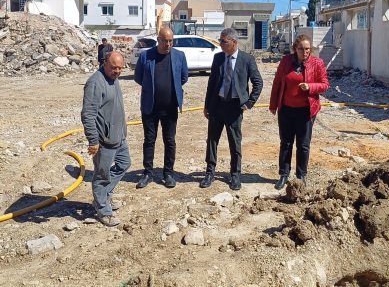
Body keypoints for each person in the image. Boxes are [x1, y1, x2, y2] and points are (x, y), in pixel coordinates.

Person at [200, 28, 263, 190]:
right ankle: (209, 172)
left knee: (235, 142)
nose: (220, 44)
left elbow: (258, 83)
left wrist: (249, 103)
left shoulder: (247, 59)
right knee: (212, 140)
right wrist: (207, 105)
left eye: (224, 41)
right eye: (220, 40)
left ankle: (235, 174)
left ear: (234, 42)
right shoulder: (218, 58)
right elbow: (211, 83)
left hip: (235, 107)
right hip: (217, 105)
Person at [269, 34, 329, 189]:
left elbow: (325, 84)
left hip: (306, 111)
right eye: (301, 49)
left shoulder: (317, 63)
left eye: (307, 49)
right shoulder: (286, 61)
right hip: (286, 110)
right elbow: (277, 83)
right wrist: (273, 104)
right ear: (295, 48)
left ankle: (301, 176)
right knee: (286, 143)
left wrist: (310, 87)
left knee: (303, 145)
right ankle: (284, 174)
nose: (305, 52)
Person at [134, 27, 189, 189]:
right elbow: (138, 77)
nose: (168, 44)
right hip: (150, 107)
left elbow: (183, 77)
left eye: (171, 41)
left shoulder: (179, 56)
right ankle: (147, 173)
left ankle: (168, 173)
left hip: (170, 108)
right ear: (158, 40)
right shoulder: (146, 56)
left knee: (170, 141)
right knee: (149, 140)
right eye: (165, 41)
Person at [81, 51, 131, 227]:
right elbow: (88, 114)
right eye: (113, 67)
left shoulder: (114, 79)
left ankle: (103, 197)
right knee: (102, 175)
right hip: (104, 141)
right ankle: (103, 210)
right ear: (104, 63)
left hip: (118, 136)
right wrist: (93, 140)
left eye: (120, 68)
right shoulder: (96, 82)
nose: (117, 71)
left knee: (124, 164)